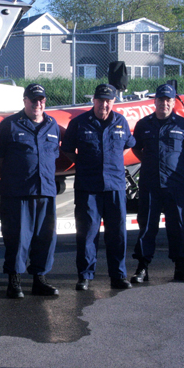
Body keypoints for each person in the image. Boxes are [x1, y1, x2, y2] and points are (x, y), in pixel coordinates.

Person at [60, 83, 135, 291]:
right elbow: (67, 149)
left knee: (117, 234)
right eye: (100, 100)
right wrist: (84, 163)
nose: (104, 104)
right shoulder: (79, 123)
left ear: (113, 102)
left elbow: (129, 143)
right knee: (87, 234)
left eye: (108, 100)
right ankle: (85, 275)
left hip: (115, 186)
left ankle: (118, 275)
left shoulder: (121, 122)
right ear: (93, 100)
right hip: (88, 187)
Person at [0, 83, 60, 298]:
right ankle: (14, 281)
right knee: (17, 238)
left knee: (46, 238)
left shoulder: (52, 125)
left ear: (44, 102)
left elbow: (54, 155)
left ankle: (39, 278)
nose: (37, 103)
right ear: (25, 101)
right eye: (33, 99)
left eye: (40, 100)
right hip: (18, 192)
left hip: (46, 191)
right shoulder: (10, 125)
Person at [130, 84, 184, 284]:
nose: (164, 103)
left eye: (168, 100)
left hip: (174, 184)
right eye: (161, 100)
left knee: (177, 226)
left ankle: (181, 267)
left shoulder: (182, 124)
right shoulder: (144, 124)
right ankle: (142, 267)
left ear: (173, 102)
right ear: (155, 101)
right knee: (147, 227)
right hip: (150, 183)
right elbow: (136, 149)